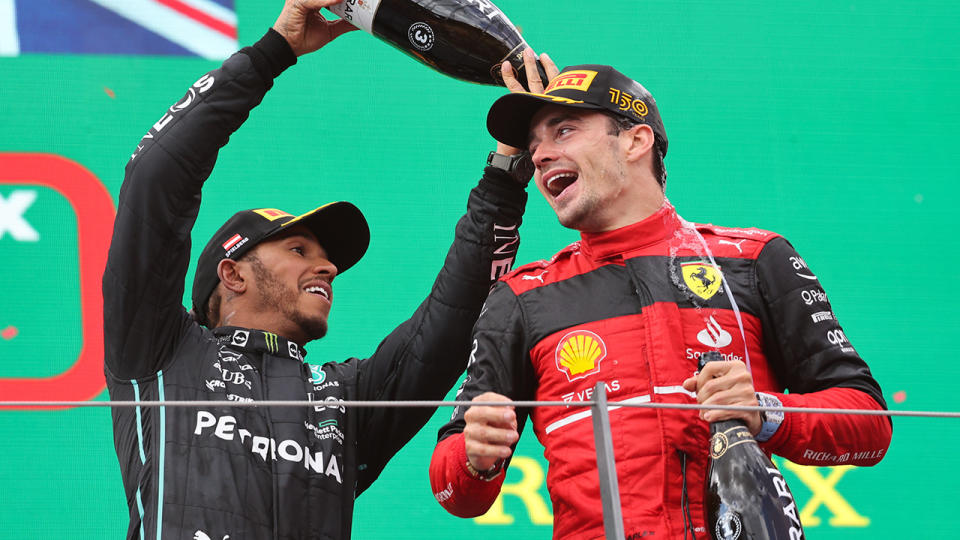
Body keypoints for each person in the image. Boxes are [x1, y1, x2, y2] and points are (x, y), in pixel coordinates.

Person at [102, 1, 538, 538]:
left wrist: (507, 170)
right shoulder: (160, 351)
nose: (328, 266)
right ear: (232, 274)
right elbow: (156, 179)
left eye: (325, 256)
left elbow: (452, 318)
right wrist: (273, 53)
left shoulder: (343, 399)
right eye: (298, 250)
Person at [429, 57, 893, 539]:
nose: (541, 155)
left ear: (635, 139)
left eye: (563, 131)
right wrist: (475, 457)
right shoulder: (522, 296)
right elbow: (455, 492)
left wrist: (765, 412)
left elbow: (870, 426)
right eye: (534, 146)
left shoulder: (755, 259)